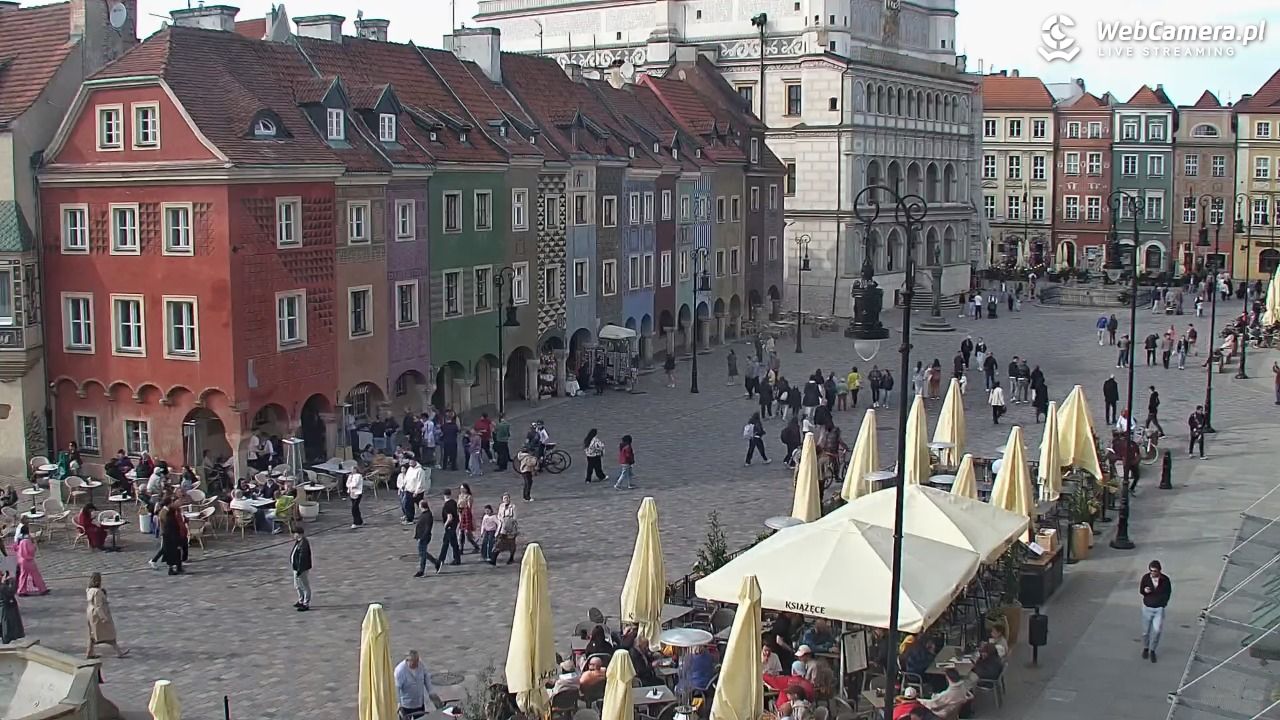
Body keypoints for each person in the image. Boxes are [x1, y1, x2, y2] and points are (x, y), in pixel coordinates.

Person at [395, 650, 444, 720]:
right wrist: (398, 702)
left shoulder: (420, 664)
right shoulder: (400, 670)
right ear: (407, 660)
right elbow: (397, 688)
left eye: (417, 661)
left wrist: (431, 691)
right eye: (414, 663)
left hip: (419, 703)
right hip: (406, 705)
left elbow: (426, 676)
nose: (417, 664)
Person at [1140, 560, 1172, 662]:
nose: (1152, 573)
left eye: (1154, 571)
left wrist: (1163, 603)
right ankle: (1146, 647)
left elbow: (1168, 592)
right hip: (1147, 608)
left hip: (1159, 609)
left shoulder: (1165, 580)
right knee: (1146, 632)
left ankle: (1153, 650)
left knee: (1157, 631)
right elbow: (1141, 590)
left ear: (1159, 571)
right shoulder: (1146, 578)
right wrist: (1145, 591)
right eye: (1151, 571)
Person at [435, 489, 462, 572]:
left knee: (446, 543)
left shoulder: (447, 505)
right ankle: (456, 559)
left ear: (444, 495)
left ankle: (441, 559)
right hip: (454, 526)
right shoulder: (453, 502)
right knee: (452, 543)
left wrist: (445, 525)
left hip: (450, 526)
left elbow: (450, 517)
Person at [290, 526, 312, 611]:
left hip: (301, 568)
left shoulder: (304, 543)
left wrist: (300, 569)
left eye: (294, 533)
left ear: (299, 534)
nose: (293, 535)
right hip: (296, 567)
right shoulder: (298, 542)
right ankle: (301, 600)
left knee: (304, 585)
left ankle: (306, 603)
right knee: (297, 585)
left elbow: (302, 558)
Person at [493, 494, 519, 565]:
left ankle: (511, 557)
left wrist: (510, 521)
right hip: (502, 526)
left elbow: (515, 516)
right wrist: (501, 520)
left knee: (511, 542)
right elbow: (499, 515)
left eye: (507, 498)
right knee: (500, 540)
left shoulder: (513, 506)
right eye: (504, 498)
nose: (506, 500)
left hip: (511, 525)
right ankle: (494, 557)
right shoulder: (501, 506)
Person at [457, 483, 481, 554]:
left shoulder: (469, 497)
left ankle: (476, 546)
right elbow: (458, 505)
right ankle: (461, 548)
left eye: (463, 488)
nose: (461, 490)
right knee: (461, 532)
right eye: (461, 488)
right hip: (461, 514)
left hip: (467, 515)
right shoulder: (460, 496)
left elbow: (469, 507)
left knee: (467, 533)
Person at [0, 570, 22, 644]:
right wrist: (10, 582)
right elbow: (10, 591)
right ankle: (6, 638)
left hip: (5, 604)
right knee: (6, 623)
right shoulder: (3, 587)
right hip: (5, 605)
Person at [346, 464, 364, 529]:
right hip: (351, 492)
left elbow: (355, 484)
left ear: (356, 470)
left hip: (357, 493)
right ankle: (359, 521)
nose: (352, 470)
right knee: (356, 508)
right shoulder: (350, 476)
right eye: (351, 469)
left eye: (353, 469)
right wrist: (350, 485)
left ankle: (355, 522)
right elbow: (347, 484)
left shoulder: (358, 476)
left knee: (354, 508)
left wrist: (351, 485)